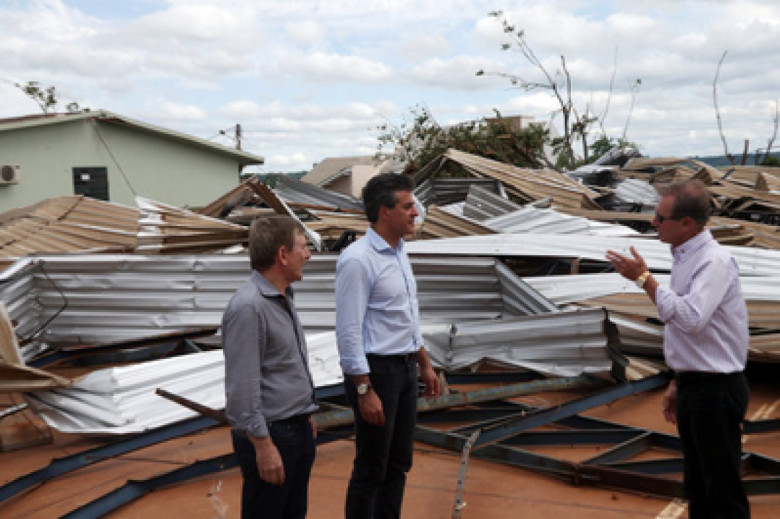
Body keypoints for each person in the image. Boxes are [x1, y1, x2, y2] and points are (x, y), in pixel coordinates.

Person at [606, 179, 750, 519]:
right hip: (697, 386)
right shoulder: (685, 255)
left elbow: (691, 318)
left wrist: (645, 280)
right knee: (699, 487)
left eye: (660, 217)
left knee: (722, 491)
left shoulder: (713, 261)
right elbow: (693, 335)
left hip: (716, 391)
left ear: (687, 224)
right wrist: (678, 380)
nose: (653, 223)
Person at [335, 172, 442, 519]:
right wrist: (364, 390)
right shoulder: (358, 259)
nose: (416, 213)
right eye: (408, 206)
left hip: (405, 368)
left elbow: (406, 317)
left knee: (398, 464)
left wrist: (424, 364)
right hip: (376, 372)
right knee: (372, 467)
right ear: (385, 212)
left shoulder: (398, 252)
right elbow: (348, 331)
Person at [222, 215, 318, 519]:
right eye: (303, 247)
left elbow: (284, 366)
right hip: (272, 436)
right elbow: (242, 386)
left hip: (295, 429)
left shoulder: (283, 297)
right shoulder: (249, 307)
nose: (308, 255)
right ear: (282, 254)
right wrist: (262, 445)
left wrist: (304, 414)